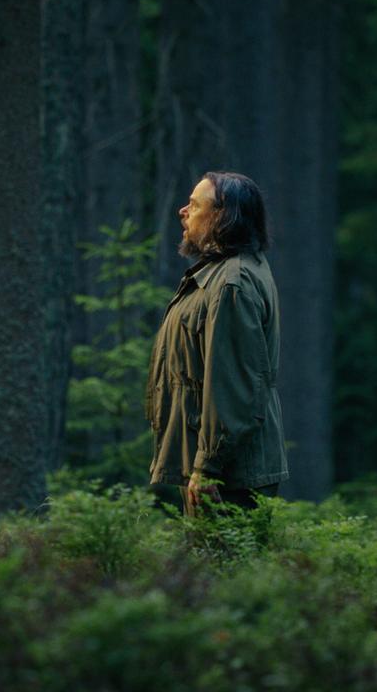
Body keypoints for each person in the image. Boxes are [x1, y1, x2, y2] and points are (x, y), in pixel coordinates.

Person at [144, 171, 288, 518]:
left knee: (223, 568)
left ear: (222, 216)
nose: (182, 211)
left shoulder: (231, 284)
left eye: (194, 205)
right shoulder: (224, 272)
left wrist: (207, 467)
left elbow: (234, 386)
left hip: (227, 475)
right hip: (220, 467)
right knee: (216, 567)